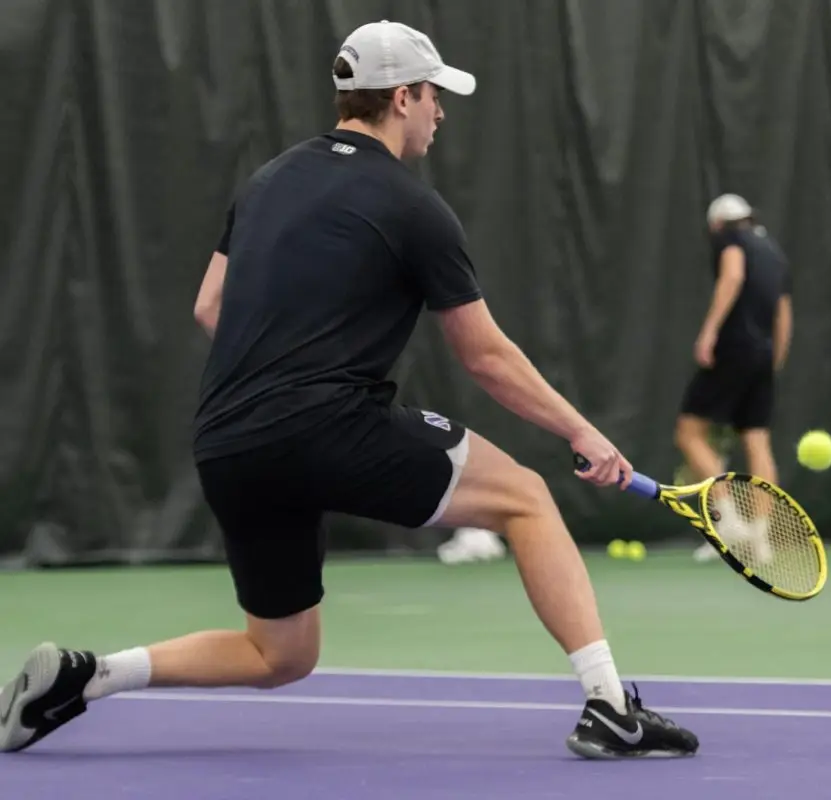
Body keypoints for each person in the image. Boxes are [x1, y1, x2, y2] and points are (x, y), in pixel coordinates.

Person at [0, 20, 698, 761]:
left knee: (281, 655)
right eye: (433, 97)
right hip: (326, 425)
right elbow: (486, 357)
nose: (440, 112)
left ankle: (89, 679)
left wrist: (279, 370)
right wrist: (581, 432)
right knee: (526, 498)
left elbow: (211, 307)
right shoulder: (413, 205)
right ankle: (610, 705)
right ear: (402, 98)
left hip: (228, 443)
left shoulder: (267, 180)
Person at [675, 195, 793, 560]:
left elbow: (733, 276)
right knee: (757, 440)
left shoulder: (730, 240)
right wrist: (773, 361)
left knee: (689, 432)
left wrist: (709, 332)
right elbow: (784, 314)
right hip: (763, 357)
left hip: (733, 349)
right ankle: (760, 542)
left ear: (718, 225)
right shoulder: (774, 253)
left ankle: (728, 522)